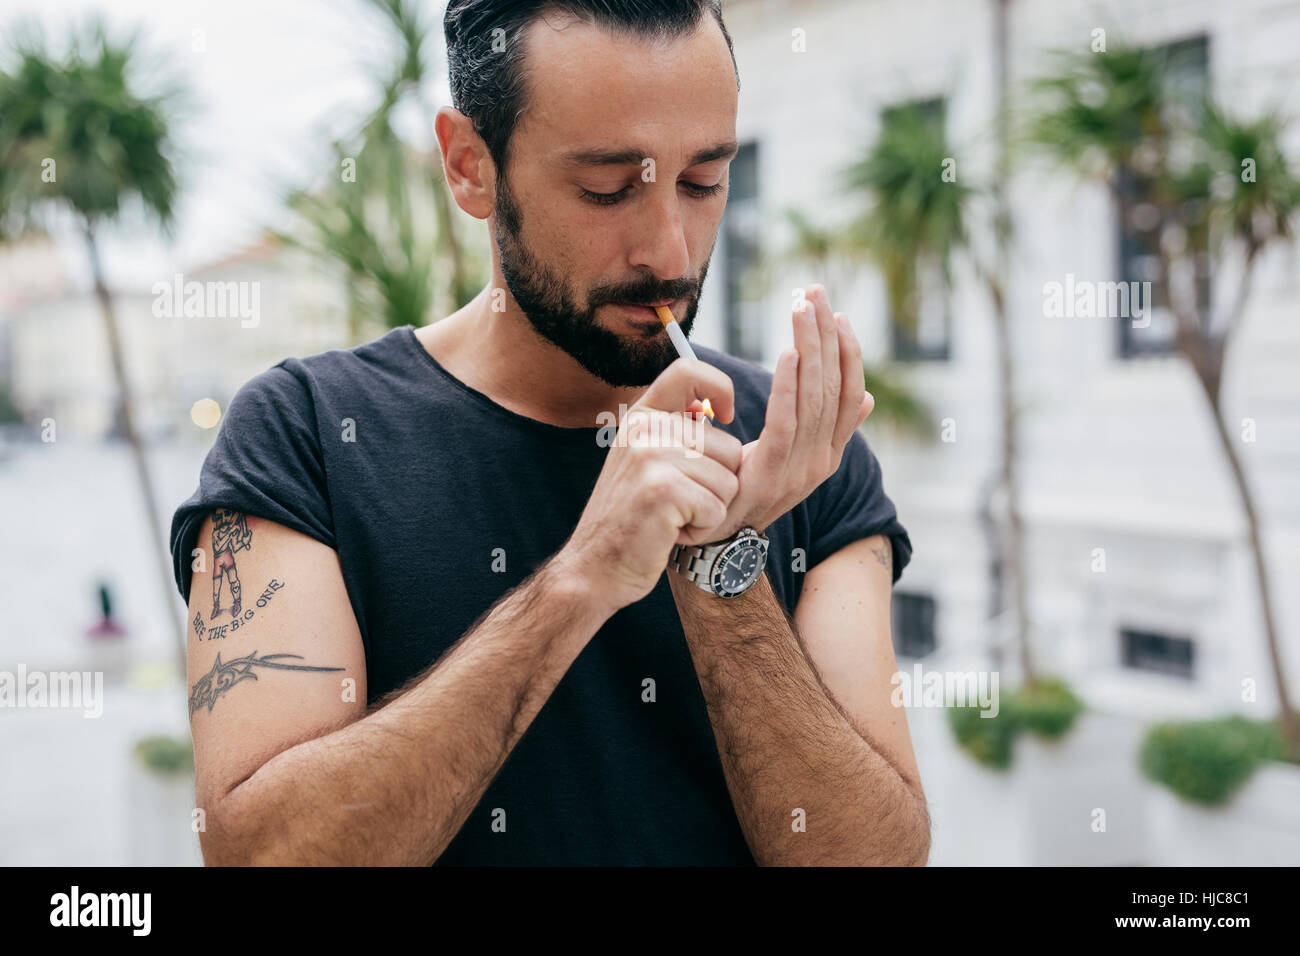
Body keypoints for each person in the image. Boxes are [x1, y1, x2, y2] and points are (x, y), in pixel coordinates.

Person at [170, 0, 928, 866]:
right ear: (469, 167)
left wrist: (722, 556)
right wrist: (580, 580)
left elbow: (876, 860)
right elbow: (260, 856)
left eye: (704, 181)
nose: (669, 252)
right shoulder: (304, 434)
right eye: (607, 188)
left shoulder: (800, 448)